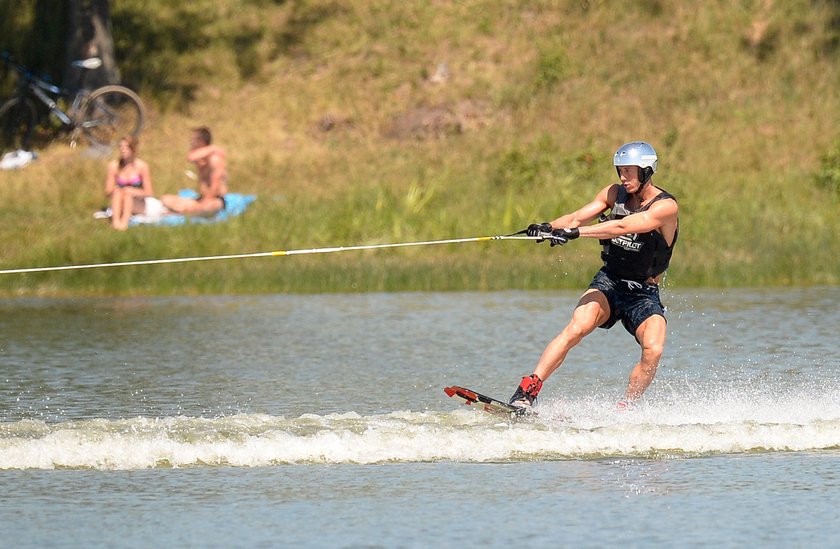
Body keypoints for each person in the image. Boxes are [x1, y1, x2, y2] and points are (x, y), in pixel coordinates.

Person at [509, 141, 679, 412]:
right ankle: (526, 392)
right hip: (609, 282)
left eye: (629, 171)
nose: (623, 177)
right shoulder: (614, 193)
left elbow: (623, 225)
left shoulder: (665, 207)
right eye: (619, 171)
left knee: (654, 348)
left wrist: (575, 234)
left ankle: (625, 408)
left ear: (646, 171)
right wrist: (549, 227)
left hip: (643, 294)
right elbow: (577, 217)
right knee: (577, 327)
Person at [161, 127, 228, 216]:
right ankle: (186, 211)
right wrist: (213, 148)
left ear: (200, 141)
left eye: (193, 140)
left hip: (214, 200)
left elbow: (214, 187)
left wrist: (202, 204)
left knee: (204, 208)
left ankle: (182, 212)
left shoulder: (214, 159)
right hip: (201, 199)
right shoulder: (202, 157)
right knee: (165, 199)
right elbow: (191, 157)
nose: (191, 143)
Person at [104, 136, 154, 231]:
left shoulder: (142, 166)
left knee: (128, 195)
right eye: (121, 147)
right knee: (119, 193)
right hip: (119, 200)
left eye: (126, 147)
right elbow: (108, 191)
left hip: (137, 203)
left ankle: (124, 223)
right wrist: (116, 189)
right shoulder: (114, 166)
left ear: (133, 149)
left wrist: (134, 191)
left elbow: (149, 192)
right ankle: (116, 223)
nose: (123, 150)